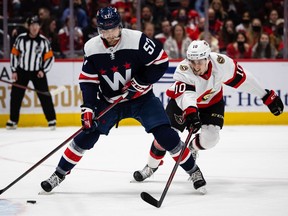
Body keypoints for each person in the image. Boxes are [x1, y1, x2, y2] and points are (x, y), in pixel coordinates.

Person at [40, 6, 206, 194]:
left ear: (120, 26)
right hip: (110, 102)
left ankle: (194, 171)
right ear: (98, 29)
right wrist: (88, 107)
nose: (110, 35)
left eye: (113, 29)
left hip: (142, 99)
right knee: (85, 137)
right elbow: (88, 81)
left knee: (166, 135)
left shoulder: (136, 39)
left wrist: (141, 82)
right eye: (105, 30)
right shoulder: (91, 47)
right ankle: (59, 174)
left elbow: (161, 62)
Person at [133, 40, 284, 186]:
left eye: (199, 61)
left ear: (208, 59)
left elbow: (244, 79)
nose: (196, 66)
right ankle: (151, 167)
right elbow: (187, 96)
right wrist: (191, 113)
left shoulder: (222, 63)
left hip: (212, 104)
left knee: (211, 139)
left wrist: (265, 95)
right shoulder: (183, 70)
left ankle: (192, 148)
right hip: (181, 104)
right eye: (192, 61)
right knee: (163, 138)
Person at [6, 15, 56, 130]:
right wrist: (14, 70)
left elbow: (50, 58)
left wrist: (43, 70)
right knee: (15, 96)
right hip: (22, 71)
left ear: (39, 27)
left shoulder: (44, 41)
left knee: (45, 96)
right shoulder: (20, 39)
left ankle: (51, 120)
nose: (35, 28)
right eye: (32, 25)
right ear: (28, 26)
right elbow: (14, 55)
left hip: (37, 72)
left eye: (37, 25)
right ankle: (13, 120)